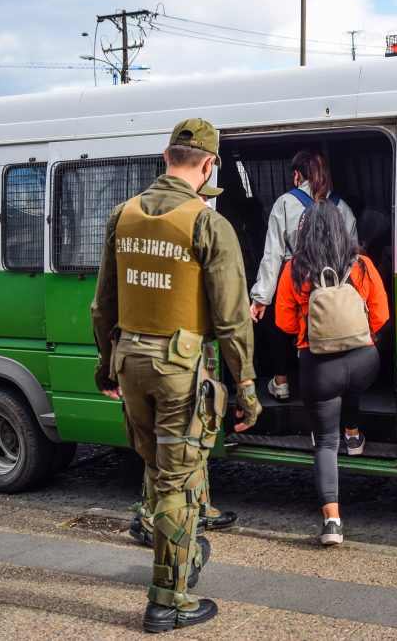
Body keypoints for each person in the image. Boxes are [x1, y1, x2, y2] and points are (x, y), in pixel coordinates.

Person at [91, 118, 263, 633]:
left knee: (156, 466)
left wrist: (105, 365)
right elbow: (231, 318)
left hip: (130, 362)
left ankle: (175, 545)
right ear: (209, 165)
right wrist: (247, 387)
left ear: (166, 158)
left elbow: (103, 306)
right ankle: (169, 601)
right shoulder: (208, 223)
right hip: (180, 369)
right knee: (179, 484)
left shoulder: (122, 215)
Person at [127, 180, 239, 549]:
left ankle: (199, 507)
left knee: (191, 439)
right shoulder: (172, 233)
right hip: (170, 358)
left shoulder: (196, 229)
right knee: (167, 450)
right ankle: (150, 519)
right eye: (204, 195)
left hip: (192, 353)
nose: (206, 202)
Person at [275, 200, 389, 545]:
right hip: (364, 364)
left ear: (305, 231)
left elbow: (284, 322)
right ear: (342, 230)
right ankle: (353, 434)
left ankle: (332, 523)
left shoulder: (294, 270)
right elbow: (381, 316)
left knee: (325, 442)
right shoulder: (363, 265)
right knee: (349, 386)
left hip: (319, 369)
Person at [249, 150, 366, 454]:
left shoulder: (285, 203)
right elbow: (355, 253)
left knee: (280, 322)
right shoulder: (342, 207)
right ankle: (347, 422)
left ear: (296, 175)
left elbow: (273, 254)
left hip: (295, 278)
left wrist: (261, 297)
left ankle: (281, 381)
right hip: (335, 285)